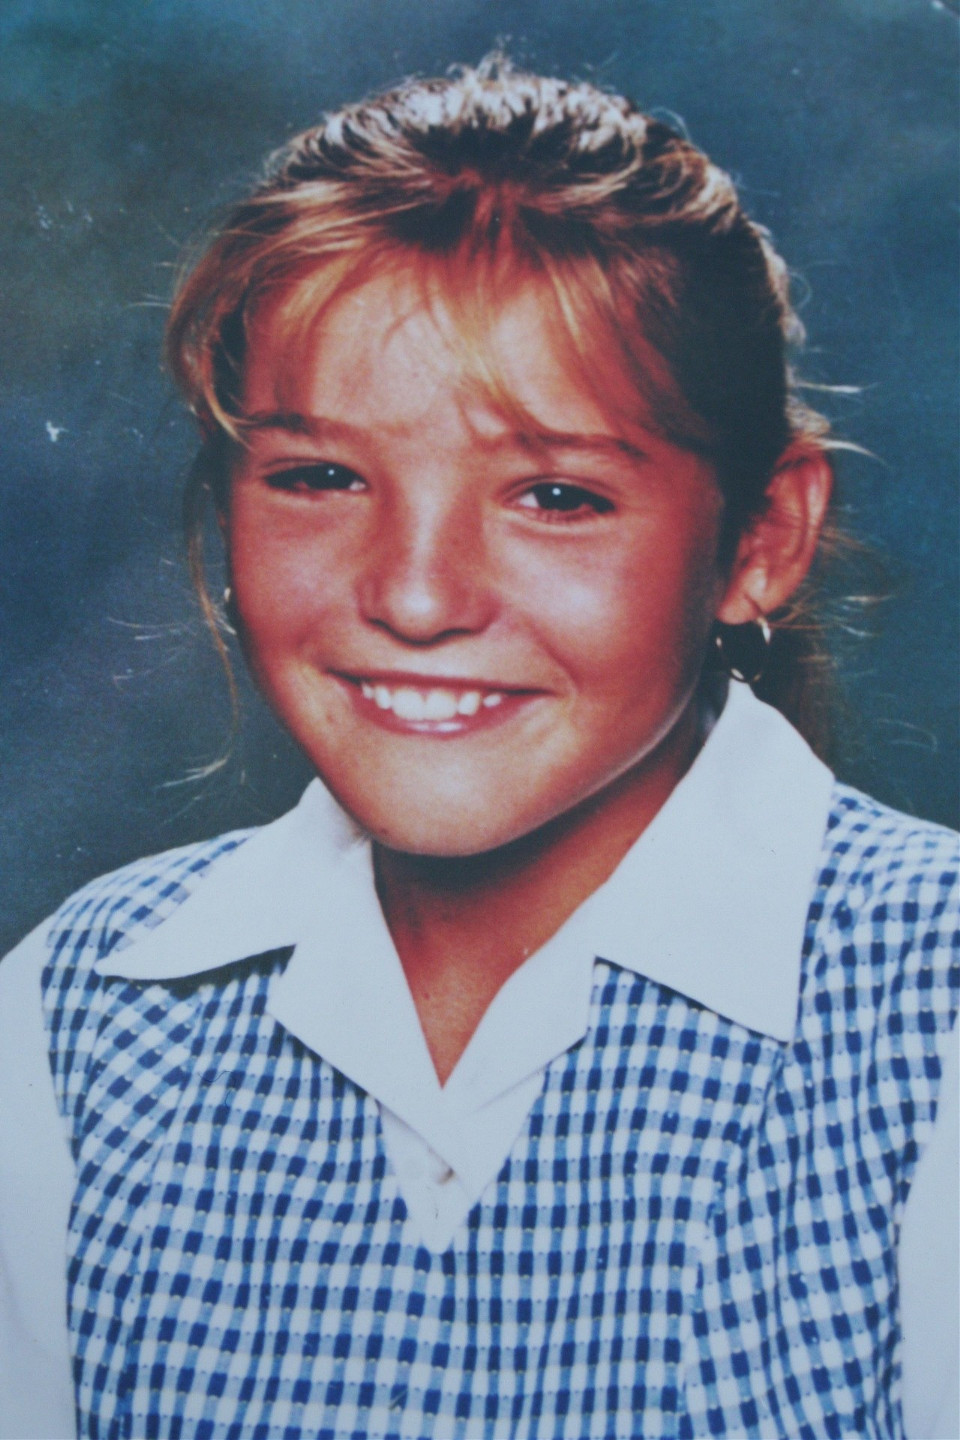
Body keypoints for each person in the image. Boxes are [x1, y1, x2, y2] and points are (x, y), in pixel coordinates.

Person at [0, 59, 956, 1440]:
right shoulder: (82, 1018)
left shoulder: (928, 1014)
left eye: (555, 495)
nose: (415, 596)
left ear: (762, 538)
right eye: (321, 477)